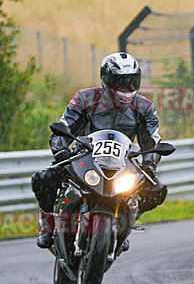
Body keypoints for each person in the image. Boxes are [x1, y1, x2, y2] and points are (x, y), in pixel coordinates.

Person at [32, 52, 167, 249]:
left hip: (123, 161)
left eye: (131, 81)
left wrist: (150, 163)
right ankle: (48, 225)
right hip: (84, 156)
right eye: (119, 82)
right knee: (43, 179)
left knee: (156, 190)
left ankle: (123, 223)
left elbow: (151, 140)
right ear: (106, 80)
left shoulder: (144, 107)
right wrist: (61, 150)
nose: (126, 88)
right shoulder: (84, 99)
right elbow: (64, 128)